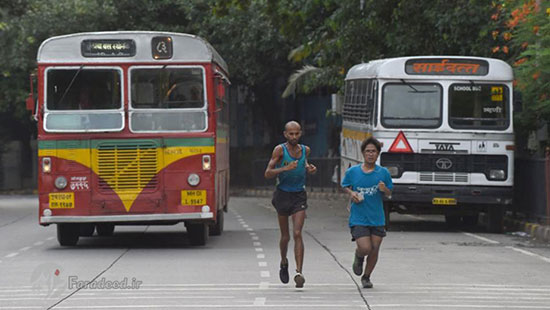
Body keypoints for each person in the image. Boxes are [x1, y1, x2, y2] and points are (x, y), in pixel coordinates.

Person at [264, 121, 317, 288]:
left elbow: (305, 164)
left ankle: (299, 273)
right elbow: (267, 173)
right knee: (285, 236)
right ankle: (284, 261)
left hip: (299, 195)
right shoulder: (280, 150)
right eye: (291, 134)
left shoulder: (305, 150)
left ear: (300, 133)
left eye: (297, 133)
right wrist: (284, 169)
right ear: (285, 134)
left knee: (297, 233)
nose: (294, 137)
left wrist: (310, 168)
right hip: (282, 194)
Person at [341, 137, 393, 289]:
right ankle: (359, 256)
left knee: (375, 248)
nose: (371, 154)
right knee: (365, 248)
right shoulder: (353, 172)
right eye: (368, 151)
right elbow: (344, 185)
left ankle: (366, 276)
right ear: (363, 153)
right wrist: (352, 194)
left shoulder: (383, 173)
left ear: (378, 154)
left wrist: (385, 190)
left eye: (374, 152)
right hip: (359, 217)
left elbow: (389, 192)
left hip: (377, 217)